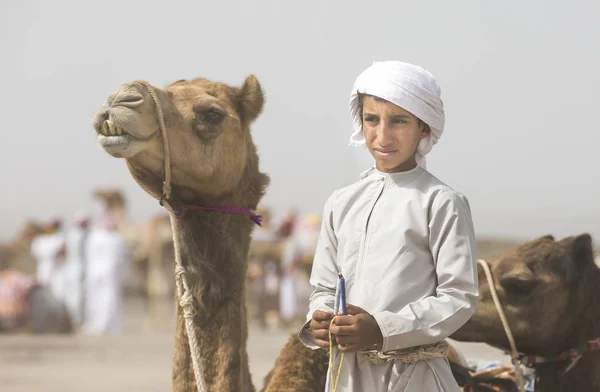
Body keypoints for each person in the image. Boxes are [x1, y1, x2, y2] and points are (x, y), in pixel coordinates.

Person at [298, 61, 478, 392]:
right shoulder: (341, 203)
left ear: (424, 128)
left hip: (416, 377)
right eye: (372, 119)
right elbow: (324, 287)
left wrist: (382, 329)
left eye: (398, 121)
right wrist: (320, 319)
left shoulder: (441, 201)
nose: (382, 135)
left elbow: (459, 297)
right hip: (346, 377)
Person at [81, 216, 128, 335]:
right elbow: (121, 259)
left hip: (94, 272)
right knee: (108, 298)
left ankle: (97, 324)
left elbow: (88, 256)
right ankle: (106, 324)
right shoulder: (117, 239)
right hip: (110, 273)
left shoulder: (93, 237)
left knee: (94, 298)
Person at [64, 212, 90, 327]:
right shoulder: (84, 235)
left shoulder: (70, 234)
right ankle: (77, 320)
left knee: (72, 295)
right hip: (81, 267)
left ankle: (74, 320)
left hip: (70, 267)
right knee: (79, 296)